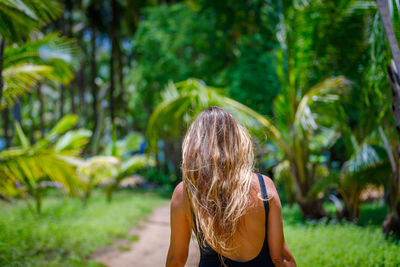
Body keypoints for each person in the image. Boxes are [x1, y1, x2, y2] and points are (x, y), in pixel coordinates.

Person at [166, 106, 296, 267]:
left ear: (194, 143)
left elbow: (176, 260)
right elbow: (280, 258)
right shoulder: (264, 186)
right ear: (237, 139)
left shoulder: (186, 192)